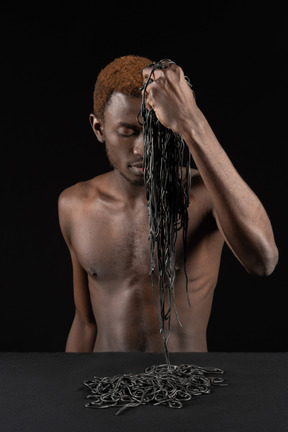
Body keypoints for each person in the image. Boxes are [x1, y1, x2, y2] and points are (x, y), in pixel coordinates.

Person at [58, 55, 278, 353]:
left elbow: (263, 261)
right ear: (99, 129)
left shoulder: (207, 193)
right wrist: (68, 391)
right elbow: (85, 323)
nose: (143, 148)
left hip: (184, 386)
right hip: (106, 389)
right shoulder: (74, 204)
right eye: (127, 132)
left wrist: (191, 121)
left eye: (155, 130)